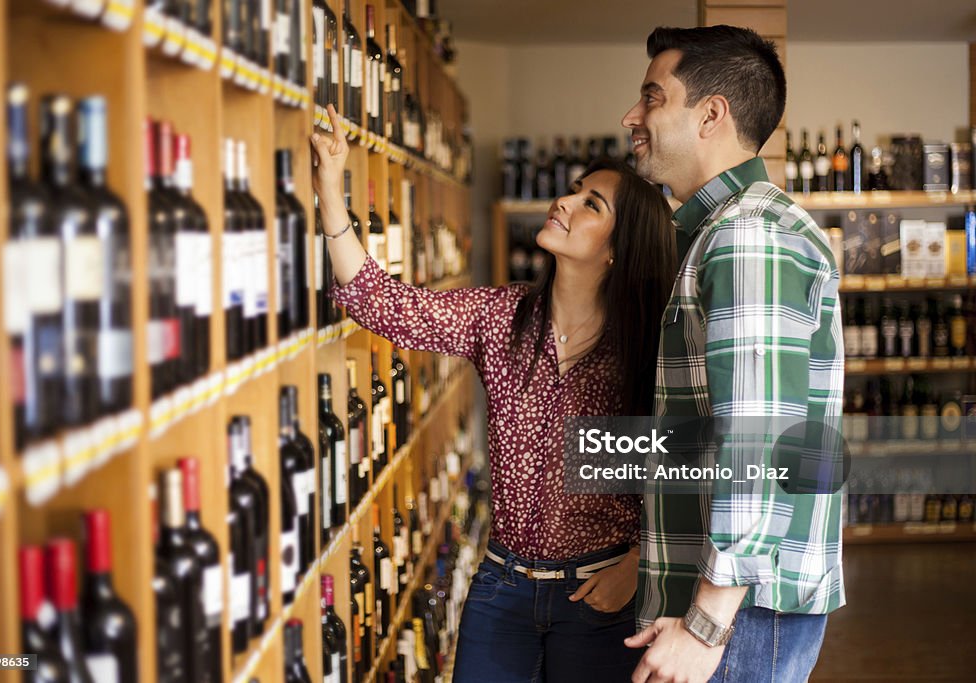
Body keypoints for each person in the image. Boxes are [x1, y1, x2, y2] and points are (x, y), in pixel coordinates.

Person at [309, 104, 676, 682]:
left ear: (618, 248)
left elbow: (684, 463)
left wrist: (640, 562)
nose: (564, 201)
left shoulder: (644, 347)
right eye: (574, 190)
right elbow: (386, 305)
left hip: (600, 598)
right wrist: (332, 193)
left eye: (590, 204)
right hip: (501, 592)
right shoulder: (503, 316)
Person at [620, 26, 845, 683]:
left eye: (652, 99)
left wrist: (708, 622)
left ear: (710, 113)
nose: (632, 117)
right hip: (735, 603)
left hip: (739, 610)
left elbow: (760, 435)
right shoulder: (727, 229)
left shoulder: (748, 236)